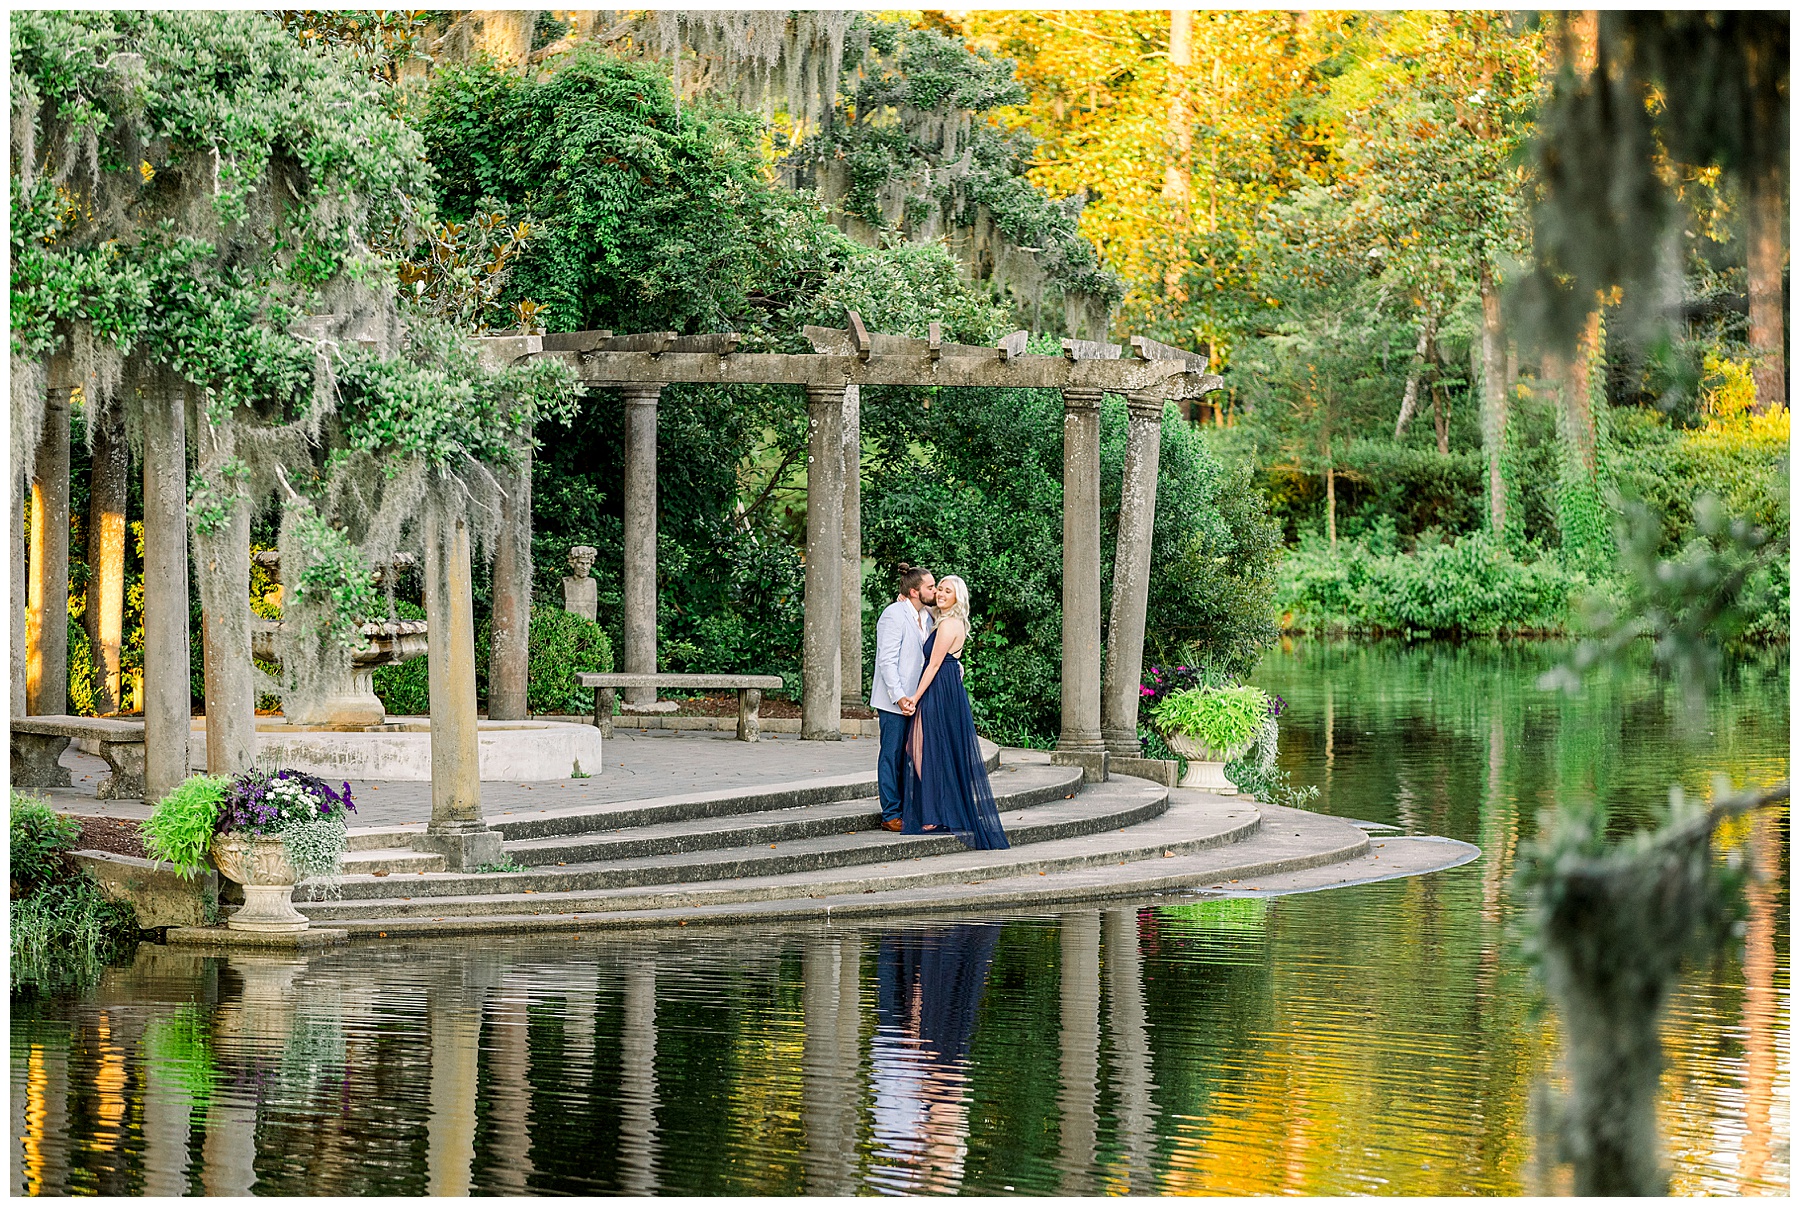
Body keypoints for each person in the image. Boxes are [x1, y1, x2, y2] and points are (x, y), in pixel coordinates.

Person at [897, 575, 1010, 849]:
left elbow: (934, 665)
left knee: (923, 747)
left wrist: (914, 697)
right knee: (924, 747)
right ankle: (941, 808)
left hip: (938, 688)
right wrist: (908, 602)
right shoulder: (944, 619)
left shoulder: (948, 624)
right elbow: (929, 611)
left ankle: (937, 811)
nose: (941, 594)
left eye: (948, 591)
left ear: (958, 597)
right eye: (939, 589)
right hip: (942, 685)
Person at [871, 563, 935, 833]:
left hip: (919, 699)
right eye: (930, 587)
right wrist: (899, 697)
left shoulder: (928, 616)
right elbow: (887, 661)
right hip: (894, 701)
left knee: (916, 756)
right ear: (914, 592)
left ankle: (913, 809)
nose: (934, 591)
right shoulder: (893, 615)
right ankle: (891, 814)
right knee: (892, 755)